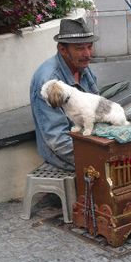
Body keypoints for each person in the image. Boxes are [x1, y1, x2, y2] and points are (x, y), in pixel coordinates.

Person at [30, 17, 99, 170]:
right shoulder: (48, 82)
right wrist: (96, 157)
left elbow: (96, 107)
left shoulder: (83, 67)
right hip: (64, 154)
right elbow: (58, 141)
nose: (88, 54)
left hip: (88, 140)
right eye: (80, 48)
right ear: (62, 50)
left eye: (89, 46)